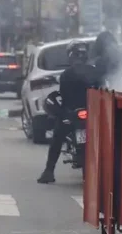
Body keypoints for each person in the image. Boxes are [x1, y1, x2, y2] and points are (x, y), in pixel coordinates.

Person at [37, 40, 97, 184]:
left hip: (73, 115)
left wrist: (63, 112)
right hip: (92, 114)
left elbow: (64, 96)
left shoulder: (66, 74)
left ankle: (49, 171)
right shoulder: (94, 71)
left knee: (57, 138)